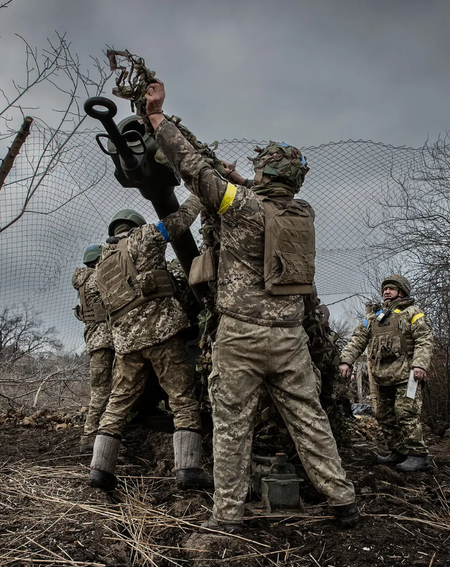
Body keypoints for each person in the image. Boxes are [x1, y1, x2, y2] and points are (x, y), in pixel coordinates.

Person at [145, 80, 358, 533]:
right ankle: (342, 501)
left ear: (263, 175)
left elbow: (191, 170)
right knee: (309, 419)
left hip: (240, 336)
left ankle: (228, 516)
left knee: (231, 426)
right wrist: (244, 181)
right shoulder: (303, 213)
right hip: (290, 337)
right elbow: (261, 199)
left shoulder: (239, 207)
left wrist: (158, 118)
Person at [88, 205, 212, 491]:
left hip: (125, 345)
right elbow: (179, 221)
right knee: (182, 400)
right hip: (161, 335)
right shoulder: (144, 237)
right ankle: (188, 469)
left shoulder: (103, 262)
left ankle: (99, 470)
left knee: (117, 404)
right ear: (136, 225)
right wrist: (199, 193)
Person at [339, 275, 435, 472]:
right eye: (385, 289)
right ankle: (398, 451)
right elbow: (357, 340)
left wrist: (420, 365)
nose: (386, 292)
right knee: (384, 415)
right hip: (382, 377)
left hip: (407, 376)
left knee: (405, 414)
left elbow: (424, 339)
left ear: (402, 292)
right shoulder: (374, 318)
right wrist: (345, 361)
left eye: (391, 288)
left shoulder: (412, 313)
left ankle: (418, 455)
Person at [72, 244, 114, 454]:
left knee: (101, 389)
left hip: (95, 341)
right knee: (101, 391)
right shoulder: (97, 278)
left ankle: (94, 434)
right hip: (105, 339)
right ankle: (90, 436)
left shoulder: (82, 280)